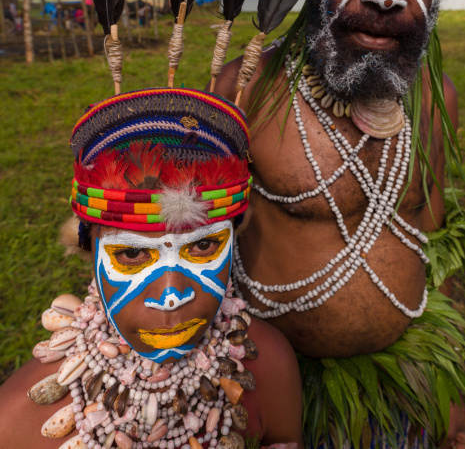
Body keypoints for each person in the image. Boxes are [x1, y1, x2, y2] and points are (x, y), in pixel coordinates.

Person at [213, 0, 465, 449]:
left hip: (407, 380)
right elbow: (187, 249)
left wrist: (438, 386)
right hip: (280, 388)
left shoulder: (431, 98)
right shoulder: (245, 87)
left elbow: (429, 226)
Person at [0, 88, 303, 449]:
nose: (171, 295)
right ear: (89, 249)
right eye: (131, 254)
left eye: (204, 246)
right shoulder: (18, 422)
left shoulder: (269, 367)